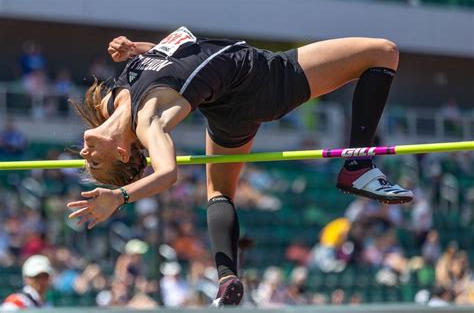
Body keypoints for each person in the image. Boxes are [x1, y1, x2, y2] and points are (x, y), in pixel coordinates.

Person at [67, 26, 413, 306]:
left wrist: (135, 48)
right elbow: (167, 173)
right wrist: (121, 196)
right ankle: (358, 165)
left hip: (226, 105)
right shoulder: (149, 122)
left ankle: (226, 280)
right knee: (382, 52)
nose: (85, 154)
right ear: (125, 153)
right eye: (96, 160)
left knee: (219, 191)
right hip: (260, 79)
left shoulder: (114, 97)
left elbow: (174, 58)